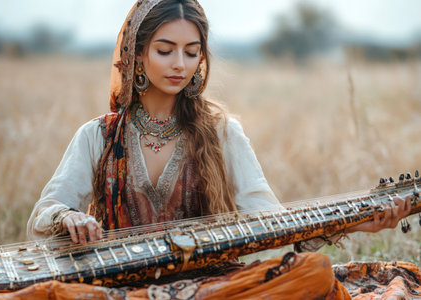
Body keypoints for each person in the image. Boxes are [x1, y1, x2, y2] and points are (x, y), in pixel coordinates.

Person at [23, 0, 414, 298]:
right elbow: (44, 212)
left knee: (314, 272)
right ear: (137, 55)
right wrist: (67, 218)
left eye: (191, 51)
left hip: (212, 287)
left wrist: (359, 220)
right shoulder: (98, 136)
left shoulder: (222, 132)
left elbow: (270, 220)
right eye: (165, 50)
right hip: (118, 289)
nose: (180, 64)